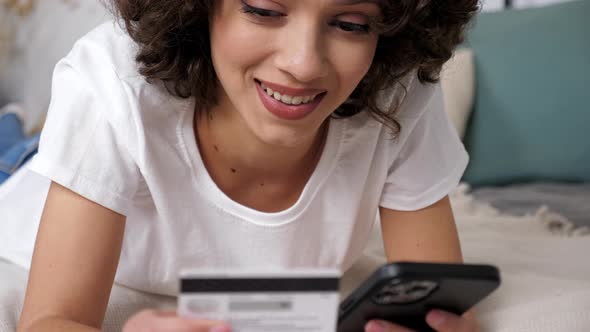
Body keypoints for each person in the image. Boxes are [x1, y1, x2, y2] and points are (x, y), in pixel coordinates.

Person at [6, 0, 479, 331]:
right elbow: (50, 321)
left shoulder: (397, 93)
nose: (304, 64)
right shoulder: (114, 84)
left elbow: (438, 305)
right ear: (201, 8)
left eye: (352, 23)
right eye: (264, 11)